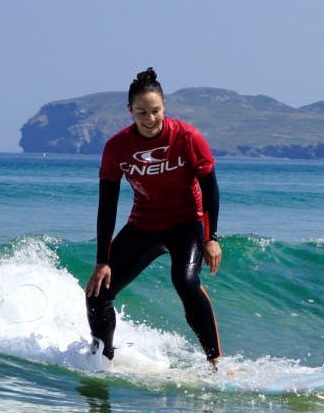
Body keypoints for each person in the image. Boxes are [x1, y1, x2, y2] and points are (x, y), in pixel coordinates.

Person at [85, 67, 224, 366]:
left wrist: (211, 238)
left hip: (187, 223)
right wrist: (102, 261)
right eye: (141, 112)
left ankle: (216, 364)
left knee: (185, 282)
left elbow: (210, 188)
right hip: (144, 225)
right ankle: (102, 361)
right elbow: (106, 205)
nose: (149, 119)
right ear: (130, 111)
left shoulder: (187, 137)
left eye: (155, 111)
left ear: (164, 107)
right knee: (97, 293)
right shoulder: (117, 147)